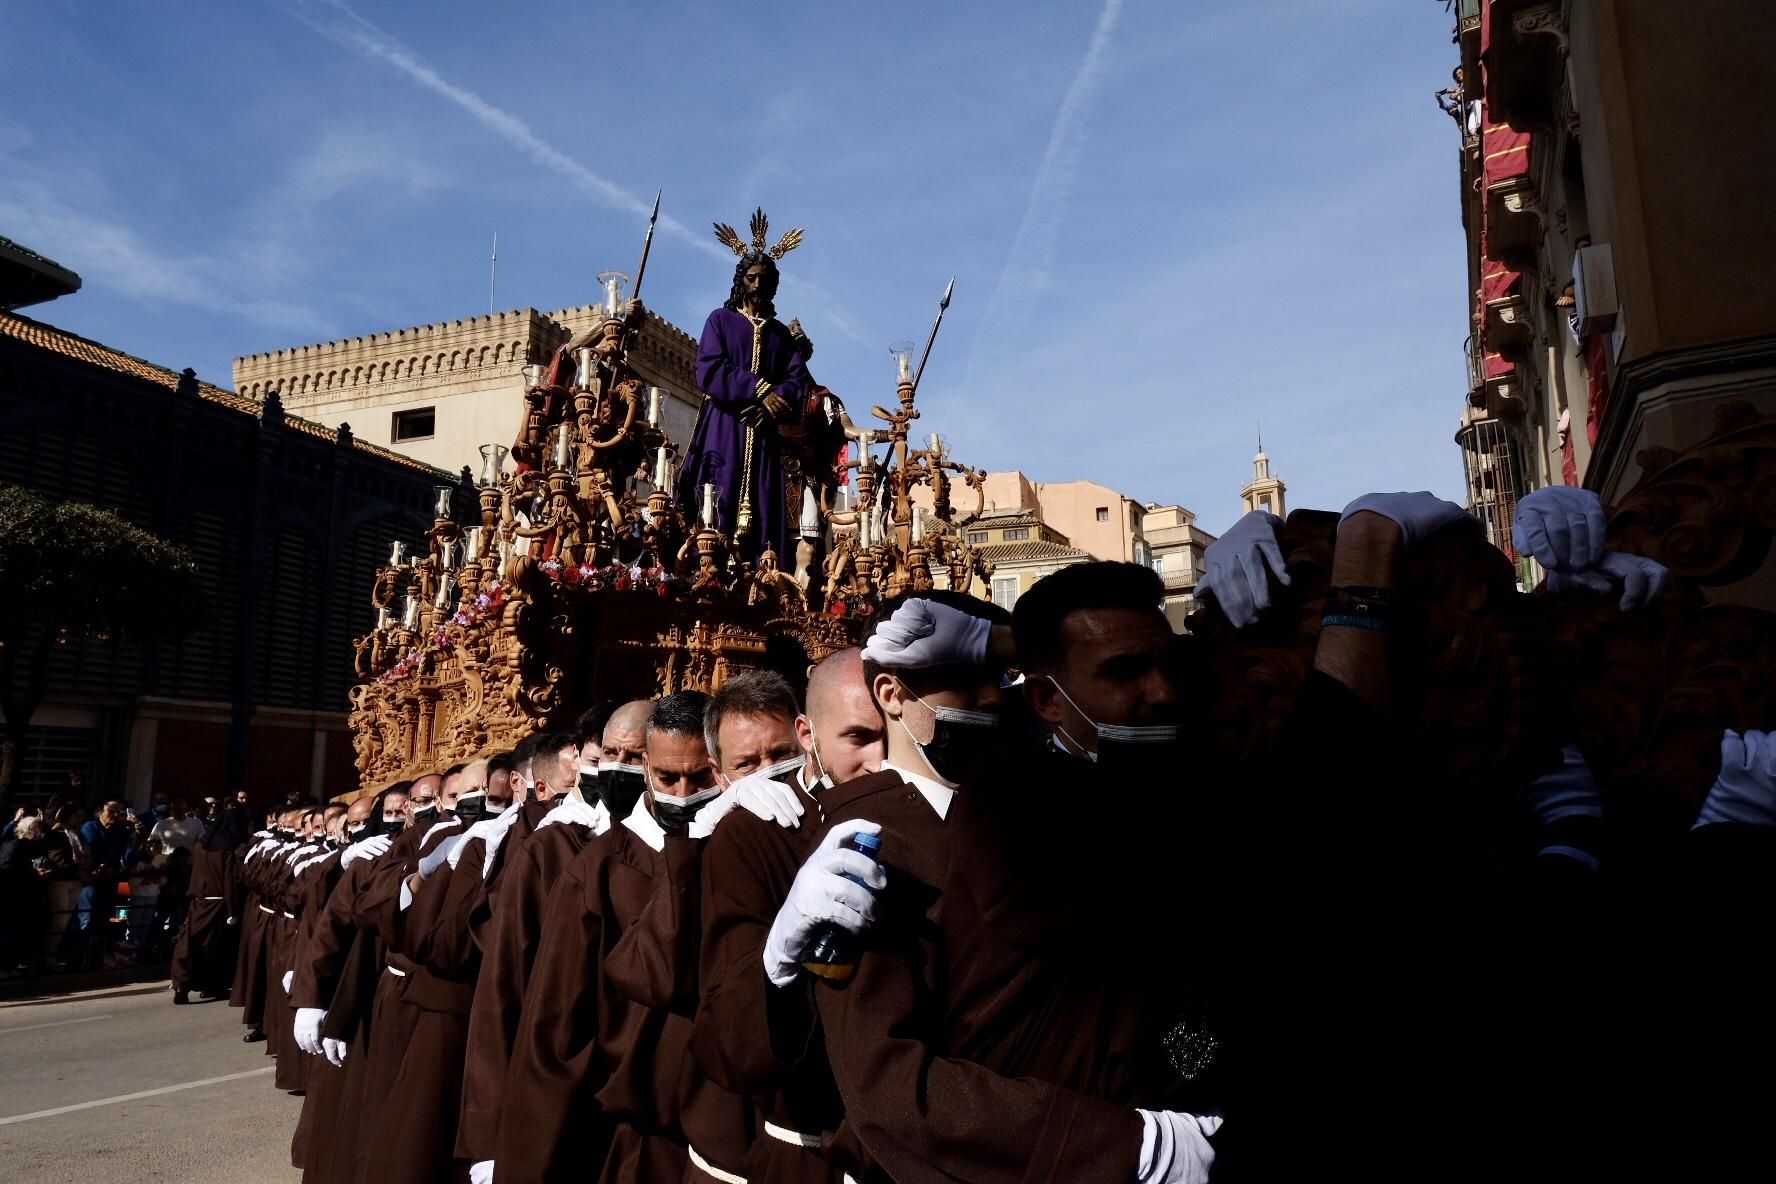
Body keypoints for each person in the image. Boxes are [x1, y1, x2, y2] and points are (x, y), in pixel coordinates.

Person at [499, 692, 735, 1183]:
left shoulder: (743, 850)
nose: (683, 794)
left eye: (700, 778)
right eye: (668, 778)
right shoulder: (598, 867)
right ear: (650, 766)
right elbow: (554, 1022)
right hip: (630, 1138)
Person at [691, 651, 886, 1183]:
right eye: (745, 765)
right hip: (783, 1135)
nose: (765, 775)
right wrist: (692, 842)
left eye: (777, 754)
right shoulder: (744, 833)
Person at [460, 703, 652, 1182]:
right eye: (608, 755)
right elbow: (503, 986)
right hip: (560, 1088)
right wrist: (488, 1131)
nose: (618, 770)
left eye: (636, 758)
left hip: (649, 1097)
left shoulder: (690, 840)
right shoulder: (552, 848)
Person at [677, 210, 813, 560]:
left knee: (766, 514)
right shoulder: (720, 321)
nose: (758, 285)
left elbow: (797, 379)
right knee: (715, 500)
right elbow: (709, 368)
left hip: (765, 434)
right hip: (724, 427)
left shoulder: (781, 335)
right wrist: (759, 389)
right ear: (742, 279)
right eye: (752, 277)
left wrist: (774, 402)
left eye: (765, 279)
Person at [169, 801, 251, 1004]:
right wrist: (233, 911)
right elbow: (230, 881)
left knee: (189, 944)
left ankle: (182, 986)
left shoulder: (200, 846)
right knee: (216, 948)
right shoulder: (228, 850)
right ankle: (212, 985)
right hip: (218, 905)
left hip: (198, 902)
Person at [0, 815, 53, 976]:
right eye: (37, 829)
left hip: (24, 898)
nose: (39, 833)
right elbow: (8, 871)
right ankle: (4, 966)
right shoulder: (14, 846)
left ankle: (11, 965)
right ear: (28, 830)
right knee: (8, 933)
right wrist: (34, 874)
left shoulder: (29, 846)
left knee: (18, 933)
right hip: (12, 898)